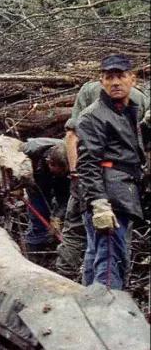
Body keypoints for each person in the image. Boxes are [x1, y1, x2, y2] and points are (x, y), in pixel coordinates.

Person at [56, 75, 149, 278]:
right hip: (119, 182)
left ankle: (71, 280)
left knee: (86, 236)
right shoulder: (138, 97)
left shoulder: (91, 92)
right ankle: (105, 293)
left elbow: (72, 136)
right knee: (113, 244)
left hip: (95, 178)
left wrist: (75, 174)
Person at [76, 54, 145, 289]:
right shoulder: (92, 116)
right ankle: (107, 313)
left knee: (100, 253)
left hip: (125, 189)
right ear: (101, 81)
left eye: (121, 76)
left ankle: (89, 304)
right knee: (110, 260)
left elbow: (133, 146)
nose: (116, 82)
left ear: (132, 79)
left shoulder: (131, 109)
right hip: (108, 194)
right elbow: (87, 164)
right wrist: (99, 203)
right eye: (109, 77)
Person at [20, 138, 69, 253]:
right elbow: (10, 161)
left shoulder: (67, 160)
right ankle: (34, 245)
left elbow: (64, 197)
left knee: (59, 207)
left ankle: (48, 238)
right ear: (49, 163)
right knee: (38, 207)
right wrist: (17, 184)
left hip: (46, 175)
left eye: (63, 172)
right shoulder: (29, 151)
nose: (60, 174)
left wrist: (57, 217)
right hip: (34, 174)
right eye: (58, 171)